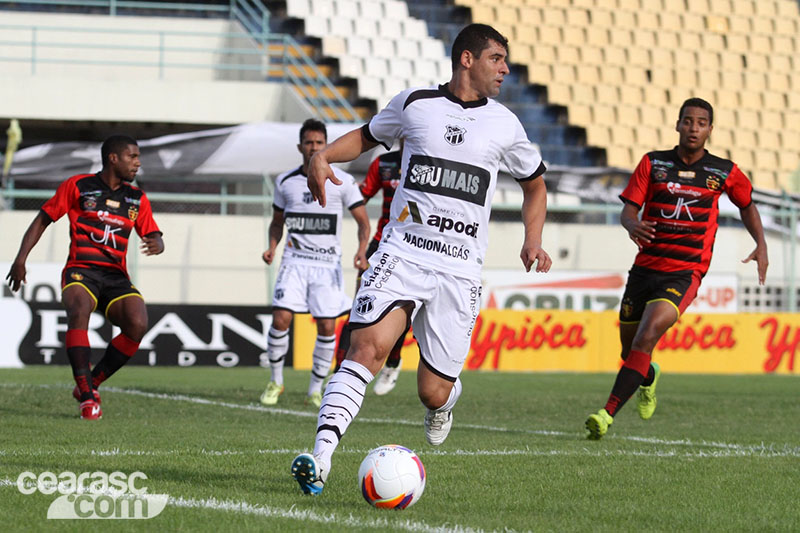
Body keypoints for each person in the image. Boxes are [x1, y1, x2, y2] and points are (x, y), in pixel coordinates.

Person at [290, 23, 551, 495]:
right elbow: (366, 137)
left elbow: (534, 185)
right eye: (497, 58)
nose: (506, 69)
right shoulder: (414, 104)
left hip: (460, 268)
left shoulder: (505, 124)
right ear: (467, 59)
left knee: (431, 390)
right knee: (365, 349)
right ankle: (321, 458)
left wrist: (533, 238)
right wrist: (323, 157)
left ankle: (445, 403)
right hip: (402, 252)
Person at [584, 98, 768, 440]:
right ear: (678, 124)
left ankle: (605, 414)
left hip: (684, 273)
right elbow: (628, 210)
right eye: (688, 121)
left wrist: (761, 243)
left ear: (710, 129)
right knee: (631, 351)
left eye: (701, 123)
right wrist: (631, 224)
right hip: (644, 270)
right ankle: (648, 377)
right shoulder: (653, 164)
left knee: (647, 335)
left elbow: (747, 205)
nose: (694, 128)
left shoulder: (723, 171)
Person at [5, 135, 164, 420]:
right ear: (113, 158)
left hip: (115, 277)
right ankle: (88, 397)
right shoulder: (78, 186)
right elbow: (43, 219)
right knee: (79, 310)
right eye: (133, 156)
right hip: (81, 271)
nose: (138, 163)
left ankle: (91, 383)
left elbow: (152, 232)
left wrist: (157, 242)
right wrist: (21, 259)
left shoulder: (136, 198)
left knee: (137, 324)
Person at [260, 118, 370, 408]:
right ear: (300, 146)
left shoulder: (342, 181)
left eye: (319, 143)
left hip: (327, 266)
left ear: (326, 145)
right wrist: (272, 247)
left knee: (325, 325)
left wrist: (362, 250)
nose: (313, 147)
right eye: (309, 142)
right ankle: (276, 382)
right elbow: (276, 222)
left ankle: (314, 389)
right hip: (294, 262)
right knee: (281, 318)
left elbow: (363, 222)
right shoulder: (285, 182)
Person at [333, 149, 410, 396]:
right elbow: (362, 196)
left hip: (413, 249)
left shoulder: (430, 159)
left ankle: (393, 362)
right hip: (381, 244)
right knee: (359, 308)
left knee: (402, 311)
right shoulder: (384, 163)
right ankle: (338, 376)